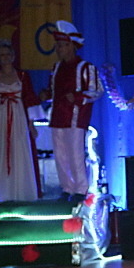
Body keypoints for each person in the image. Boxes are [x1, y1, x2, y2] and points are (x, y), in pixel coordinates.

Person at [39, 20, 103, 202]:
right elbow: (53, 92)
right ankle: (67, 187)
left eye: (61, 45)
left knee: (76, 154)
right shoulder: (56, 68)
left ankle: (81, 189)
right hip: (57, 116)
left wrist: (76, 97)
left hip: (76, 116)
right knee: (60, 155)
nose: (58, 49)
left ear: (71, 46)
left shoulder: (86, 68)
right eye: (57, 45)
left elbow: (97, 91)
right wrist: (46, 95)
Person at [0, 42, 42, 201]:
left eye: (8, 54)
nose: (5, 58)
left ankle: (21, 192)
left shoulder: (23, 76)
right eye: (2, 55)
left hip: (18, 116)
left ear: (12, 56)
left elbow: (29, 97)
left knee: (19, 149)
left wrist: (31, 123)